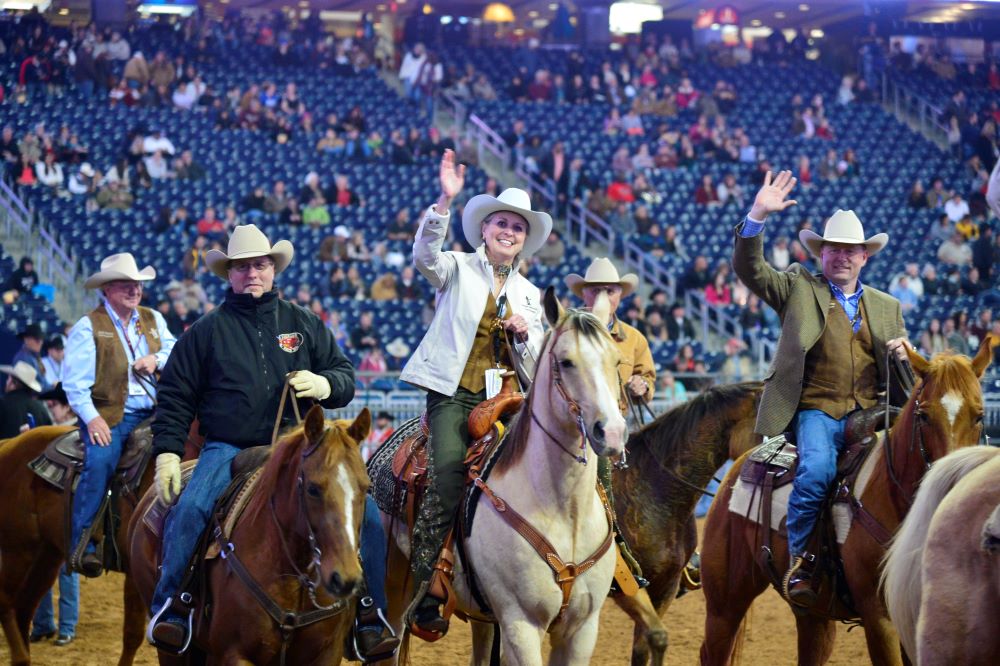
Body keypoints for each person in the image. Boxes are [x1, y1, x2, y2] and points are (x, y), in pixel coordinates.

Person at [146, 225, 397, 660]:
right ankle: (174, 606)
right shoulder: (205, 332)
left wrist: (324, 383)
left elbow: (344, 376)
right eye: (242, 267)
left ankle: (370, 616)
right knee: (190, 509)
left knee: (369, 518)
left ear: (272, 269)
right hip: (228, 447)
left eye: (260, 265)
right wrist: (168, 452)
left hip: (301, 447)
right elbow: (175, 395)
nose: (252, 273)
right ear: (229, 274)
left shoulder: (303, 323)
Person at [732, 170, 909, 609]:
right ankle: (802, 562)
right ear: (822, 252)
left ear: (865, 257)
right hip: (818, 411)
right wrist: (757, 216)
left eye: (851, 251)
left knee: (914, 469)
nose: (842, 257)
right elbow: (750, 270)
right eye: (834, 249)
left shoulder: (888, 307)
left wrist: (907, 354)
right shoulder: (798, 287)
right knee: (815, 473)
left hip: (874, 410)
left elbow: (903, 370)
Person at [399, 150, 550, 638]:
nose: (509, 231)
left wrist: (526, 336)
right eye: (501, 223)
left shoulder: (530, 294)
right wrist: (444, 201)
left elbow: (537, 366)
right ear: (484, 229)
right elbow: (423, 258)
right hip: (453, 395)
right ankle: (425, 590)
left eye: (517, 228)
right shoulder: (457, 267)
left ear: (525, 239)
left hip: (510, 401)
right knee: (445, 478)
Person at [63, 253, 177, 576]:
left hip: (155, 410)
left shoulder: (152, 318)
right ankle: (84, 542)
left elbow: (174, 349)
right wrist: (93, 419)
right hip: (111, 414)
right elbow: (74, 385)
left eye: (137, 284)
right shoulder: (89, 327)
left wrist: (156, 358)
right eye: (126, 284)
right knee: (100, 461)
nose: (134, 290)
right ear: (107, 290)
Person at [564, 257, 653, 587]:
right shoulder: (568, 333)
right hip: (577, 432)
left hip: (619, 429)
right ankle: (616, 558)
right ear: (585, 294)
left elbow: (647, 376)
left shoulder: (634, 339)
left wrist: (643, 386)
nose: (603, 295)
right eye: (597, 289)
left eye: (610, 290)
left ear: (620, 296)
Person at [31, 383, 80, 647]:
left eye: (53, 406)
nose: (50, 410)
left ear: (67, 407)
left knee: (65, 570)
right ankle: (46, 624)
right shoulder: (61, 434)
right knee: (47, 568)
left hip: (68, 512)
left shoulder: (76, 434)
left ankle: (66, 626)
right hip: (56, 511)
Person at [0, 361, 51, 437]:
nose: (7, 382)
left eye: (8, 379)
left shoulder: (2, 404)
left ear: (12, 383)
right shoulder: (41, 409)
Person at [11, 322, 51, 391]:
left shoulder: (33, 357)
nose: (40, 342)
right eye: (37, 340)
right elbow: (34, 386)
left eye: (41, 340)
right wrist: (52, 387)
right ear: (26, 340)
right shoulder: (23, 358)